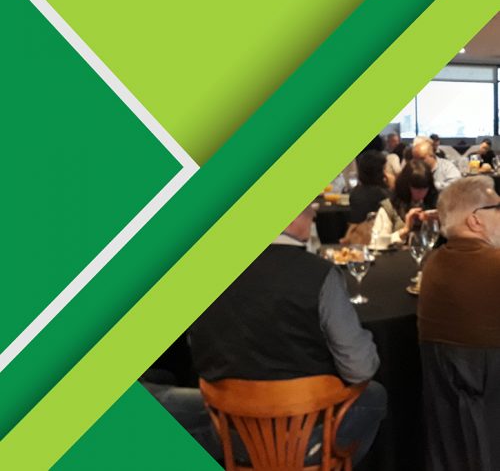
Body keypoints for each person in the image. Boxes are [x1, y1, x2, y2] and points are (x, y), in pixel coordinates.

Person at [190, 206, 387, 466]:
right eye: (309, 210)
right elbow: (359, 368)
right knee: (375, 394)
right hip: (305, 438)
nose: (314, 216)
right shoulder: (320, 275)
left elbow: (198, 353)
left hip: (231, 438)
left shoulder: (203, 271)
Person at [418, 176, 500, 470]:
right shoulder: (493, 264)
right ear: (475, 220)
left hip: (448, 432)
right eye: (497, 208)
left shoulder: (432, 263)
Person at [372, 160, 438, 246]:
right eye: (416, 189)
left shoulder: (434, 203)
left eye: (425, 188)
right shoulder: (391, 207)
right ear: (406, 186)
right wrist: (405, 229)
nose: (421, 193)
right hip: (397, 254)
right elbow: (376, 243)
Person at [349, 150, 389, 224]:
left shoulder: (355, 192)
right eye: (384, 169)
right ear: (379, 172)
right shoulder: (381, 194)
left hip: (357, 230)